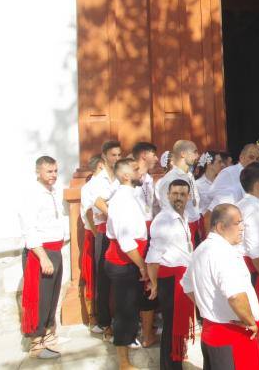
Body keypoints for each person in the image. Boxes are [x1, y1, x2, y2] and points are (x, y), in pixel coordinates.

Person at [181, 204, 259, 369]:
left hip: (212, 331)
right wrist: (250, 321)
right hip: (232, 335)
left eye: (242, 222)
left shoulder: (201, 249)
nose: (242, 227)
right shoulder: (224, 253)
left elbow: (187, 286)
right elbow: (235, 296)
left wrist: (208, 306)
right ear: (219, 227)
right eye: (237, 223)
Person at [105, 158, 158, 368]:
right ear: (126, 175)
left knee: (138, 304)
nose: (140, 171)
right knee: (125, 311)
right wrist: (142, 266)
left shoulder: (131, 195)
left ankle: (145, 336)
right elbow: (125, 241)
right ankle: (124, 362)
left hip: (135, 258)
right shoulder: (121, 200)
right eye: (136, 169)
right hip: (125, 262)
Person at [19, 156, 67, 359]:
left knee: (52, 296)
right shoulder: (32, 195)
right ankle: (36, 343)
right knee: (40, 299)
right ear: (38, 172)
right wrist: (43, 257)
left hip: (55, 250)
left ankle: (48, 335)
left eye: (55, 171)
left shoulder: (53, 192)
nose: (53, 175)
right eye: (49, 171)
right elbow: (29, 229)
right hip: (41, 253)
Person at [145, 179, 195, 370]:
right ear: (168, 195)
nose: (178, 198)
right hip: (170, 280)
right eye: (175, 194)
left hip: (183, 278)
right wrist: (155, 284)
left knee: (178, 327)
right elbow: (153, 257)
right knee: (171, 327)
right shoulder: (163, 220)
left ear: (188, 196)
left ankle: (176, 364)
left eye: (182, 194)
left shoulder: (185, 216)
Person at [234, 163, 259, 346]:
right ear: (258, 184)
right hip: (250, 266)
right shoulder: (253, 210)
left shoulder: (240, 204)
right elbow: (255, 250)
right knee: (254, 311)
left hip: (242, 263)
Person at [89, 140, 122, 338]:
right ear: (104, 157)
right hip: (104, 230)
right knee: (103, 278)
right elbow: (98, 204)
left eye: (119, 155)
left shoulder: (120, 178)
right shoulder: (97, 181)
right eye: (113, 155)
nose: (117, 159)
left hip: (119, 233)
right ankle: (103, 321)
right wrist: (114, 213)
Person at [157, 140, 201, 241]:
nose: (197, 156)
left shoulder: (189, 175)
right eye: (195, 152)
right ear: (183, 154)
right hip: (181, 227)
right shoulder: (171, 178)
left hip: (194, 223)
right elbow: (169, 209)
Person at [80, 154, 104, 330]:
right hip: (94, 234)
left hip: (104, 233)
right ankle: (93, 317)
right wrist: (97, 235)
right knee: (93, 275)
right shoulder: (90, 187)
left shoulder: (108, 184)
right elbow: (88, 212)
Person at [207, 143, 259, 208]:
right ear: (241, 157)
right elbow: (211, 194)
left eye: (258, 159)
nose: (255, 161)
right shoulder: (229, 172)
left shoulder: (256, 175)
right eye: (251, 157)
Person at [132, 141, 159, 225]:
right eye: (154, 155)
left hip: (149, 227)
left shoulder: (149, 179)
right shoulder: (128, 177)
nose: (156, 159)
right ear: (143, 155)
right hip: (135, 228)